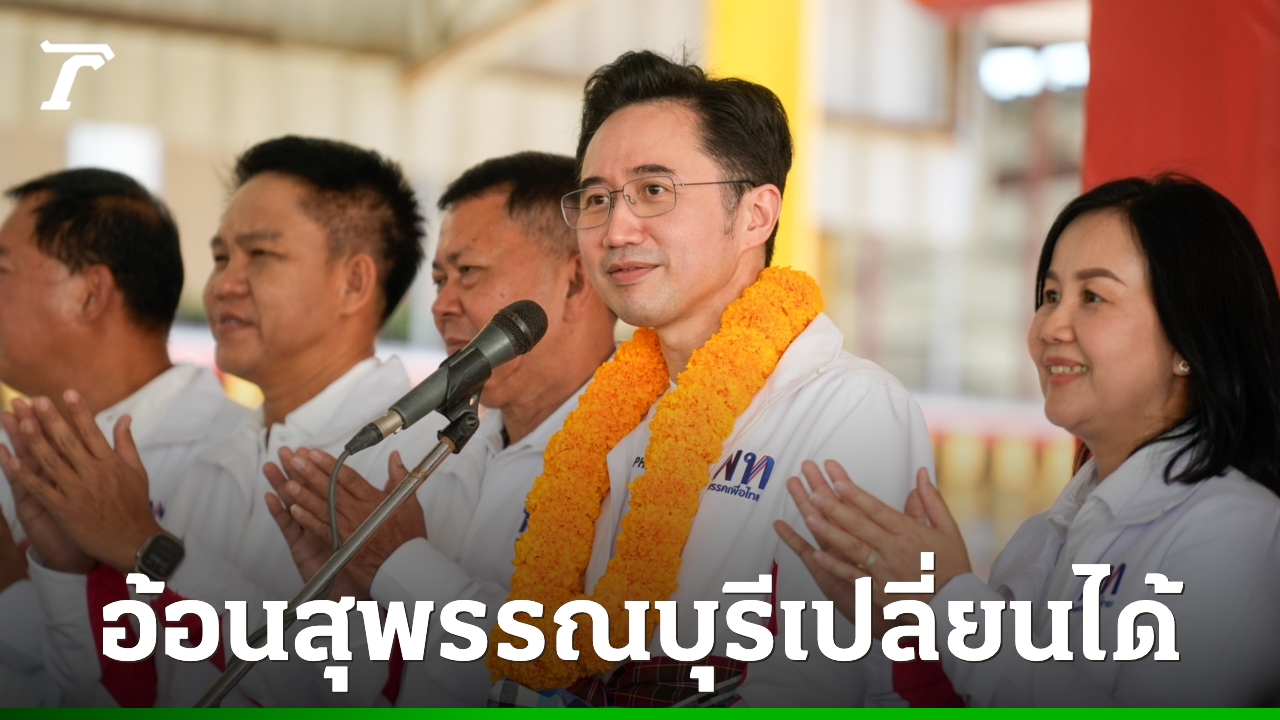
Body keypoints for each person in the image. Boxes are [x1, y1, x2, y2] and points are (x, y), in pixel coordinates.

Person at [480, 50, 934, 707]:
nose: (616, 229)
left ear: (755, 215)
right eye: (597, 199)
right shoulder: (603, 418)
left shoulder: (847, 408)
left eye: (653, 191)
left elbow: (817, 687)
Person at [779, 175, 1280, 707]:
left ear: (1188, 340)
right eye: (1050, 296)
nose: (1050, 326)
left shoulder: (1238, 532)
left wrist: (950, 602)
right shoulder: (1041, 537)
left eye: (1093, 297)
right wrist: (910, 632)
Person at [8, 137, 439, 707]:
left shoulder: (423, 461)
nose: (222, 285)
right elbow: (126, 693)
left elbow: (347, 693)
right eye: (219, 258)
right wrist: (62, 569)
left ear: (353, 283)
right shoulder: (220, 457)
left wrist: (146, 547)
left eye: (260, 255)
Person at [270, 151, 618, 706]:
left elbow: (574, 688)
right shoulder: (441, 449)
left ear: (576, 281)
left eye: (468, 272)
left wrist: (402, 564)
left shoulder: (647, 463)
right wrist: (346, 603)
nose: (441, 306)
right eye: (439, 279)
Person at [0, 169, 248, 707]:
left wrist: (14, 592)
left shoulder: (235, 458)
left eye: (3, 271)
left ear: (91, 293)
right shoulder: (12, 438)